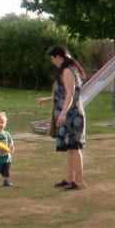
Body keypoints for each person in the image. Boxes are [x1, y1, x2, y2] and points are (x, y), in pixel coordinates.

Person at [37, 45, 87, 190]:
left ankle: (79, 181)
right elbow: (62, 94)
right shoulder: (69, 70)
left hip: (72, 115)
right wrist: (46, 100)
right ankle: (69, 178)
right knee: (70, 148)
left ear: (57, 57)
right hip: (69, 114)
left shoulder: (67, 71)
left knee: (75, 148)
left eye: (52, 59)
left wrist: (64, 113)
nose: (52, 62)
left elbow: (70, 95)